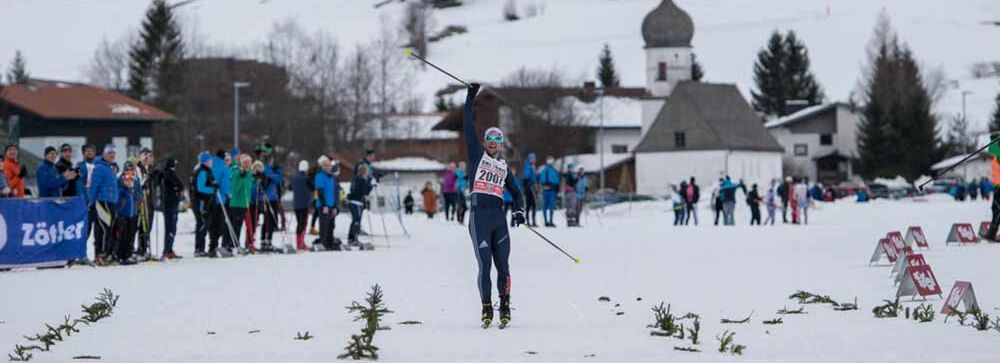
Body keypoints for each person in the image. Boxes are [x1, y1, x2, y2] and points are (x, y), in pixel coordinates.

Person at [463, 84, 525, 328]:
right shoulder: (477, 155)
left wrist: (519, 211)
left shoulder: (502, 167)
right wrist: (470, 96)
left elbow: (517, 192)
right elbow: (468, 124)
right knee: (485, 266)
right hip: (479, 218)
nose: (492, 143)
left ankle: (505, 304)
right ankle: (487, 307)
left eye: (497, 140)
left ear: (501, 145)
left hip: (498, 220)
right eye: (489, 139)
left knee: (504, 267)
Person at [89, 145, 119, 264]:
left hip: (110, 201)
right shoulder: (100, 167)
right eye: (109, 153)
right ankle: (101, 255)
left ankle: (103, 253)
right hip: (102, 201)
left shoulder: (109, 168)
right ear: (104, 154)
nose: (112, 155)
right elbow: (94, 186)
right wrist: (91, 201)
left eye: (113, 153)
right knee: (104, 228)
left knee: (107, 228)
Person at [114, 162, 142, 265]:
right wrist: (117, 213)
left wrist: (136, 194)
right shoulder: (120, 183)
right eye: (127, 170)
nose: (129, 173)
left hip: (133, 212)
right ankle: (121, 255)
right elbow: (117, 199)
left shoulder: (136, 180)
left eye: (131, 170)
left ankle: (128, 254)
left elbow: (140, 195)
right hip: (123, 214)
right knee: (123, 235)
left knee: (131, 234)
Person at [192, 152, 216, 257]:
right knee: (201, 223)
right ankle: (199, 248)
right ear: (205, 161)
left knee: (205, 223)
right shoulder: (201, 171)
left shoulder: (207, 171)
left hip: (206, 201)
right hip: (201, 201)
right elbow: (200, 188)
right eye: (210, 160)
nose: (211, 162)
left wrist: (213, 184)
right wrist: (212, 189)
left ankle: (201, 247)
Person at [314, 156, 341, 250]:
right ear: (322, 167)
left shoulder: (333, 178)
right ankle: (323, 243)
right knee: (324, 225)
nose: (327, 167)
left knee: (331, 225)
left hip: (332, 205)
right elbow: (320, 191)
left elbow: (336, 192)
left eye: (328, 165)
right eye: (325, 165)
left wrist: (335, 206)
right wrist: (324, 205)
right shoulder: (319, 176)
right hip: (323, 205)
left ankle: (330, 244)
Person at [210, 150, 233, 256]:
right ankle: (217, 246)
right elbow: (225, 184)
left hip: (211, 199)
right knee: (220, 224)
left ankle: (212, 246)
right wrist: (229, 193)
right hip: (221, 199)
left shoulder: (211, 165)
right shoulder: (224, 168)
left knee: (213, 223)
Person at [230, 154, 254, 253]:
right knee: (235, 225)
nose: (247, 165)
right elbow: (235, 188)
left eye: (249, 162)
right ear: (241, 163)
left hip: (245, 203)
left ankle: (240, 244)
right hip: (236, 203)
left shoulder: (249, 173)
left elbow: (249, 187)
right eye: (245, 162)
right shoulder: (236, 172)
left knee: (241, 225)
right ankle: (233, 244)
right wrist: (242, 178)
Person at [135, 148, 157, 258]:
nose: (147, 158)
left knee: (148, 225)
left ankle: (144, 248)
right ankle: (141, 249)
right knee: (143, 224)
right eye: (144, 155)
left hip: (150, 201)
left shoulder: (152, 169)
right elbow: (139, 183)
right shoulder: (138, 168)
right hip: (142, 201)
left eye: (149, 155)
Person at [160, 156, 183, 259]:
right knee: (170, 227)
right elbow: (179, 184)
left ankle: (169, 248)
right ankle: (167, 249)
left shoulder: (167, 173)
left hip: (171, 204)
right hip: (170, 204)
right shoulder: (168, 174)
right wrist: (177, 188)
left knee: (171, 227)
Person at [348, 164, 374, 246]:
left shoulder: (356, 178)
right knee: (356, 221)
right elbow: (366, 191)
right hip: (357, 202)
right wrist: (371, 185)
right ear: (364, 172)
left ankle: (351, 238)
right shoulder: (361, 179)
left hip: (352, 201)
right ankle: (353, 239)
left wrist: (369, 184)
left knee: (355, 220)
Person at [77, 144, 98, 242]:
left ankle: (98, 254)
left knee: (99, 230)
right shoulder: (80, 166)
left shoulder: (99, 166)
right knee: (85, 230)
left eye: (92, 151)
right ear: (83, 153)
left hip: (98, 202)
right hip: (86, 203)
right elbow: (79, 185)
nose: (90, 153)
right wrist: (85, 200)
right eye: (87, 151)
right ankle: (80, 253)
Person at [292, 159, 313, 250]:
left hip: (296, 204)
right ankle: (301, 243)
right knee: (303, 223)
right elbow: (313, 188)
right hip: (305, 204)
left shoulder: (294, 177)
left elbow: (290, 187)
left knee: (299, 223)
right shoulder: (307, 178)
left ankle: (298, 242)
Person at [983, 136, 1000, 241]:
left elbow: (991, 149)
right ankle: (992, 233)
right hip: (997, 186)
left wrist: (995, 140)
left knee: (997, 209)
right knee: (995, 209)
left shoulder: (998, 153)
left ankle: (992, 233)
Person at [539, 156, 559, 227]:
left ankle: (547, 221)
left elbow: (541, 180)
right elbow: (556, 181)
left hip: (546, 190)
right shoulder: (552, 170)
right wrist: (556, 188)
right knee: (550, 206)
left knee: (546, 206)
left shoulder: (544, 170)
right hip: (551, 190)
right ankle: (549, 221)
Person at [522, 153, 539, 227]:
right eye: (533, 159)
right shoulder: (528, 166)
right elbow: (527, 176)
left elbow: (536, 177)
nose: (534, 160)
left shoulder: (532, 166)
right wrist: (531, 169)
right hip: (529, 187)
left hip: (532, 187)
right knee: (530, 204)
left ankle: (533, 220)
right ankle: (529, 221)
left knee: (533, 205)